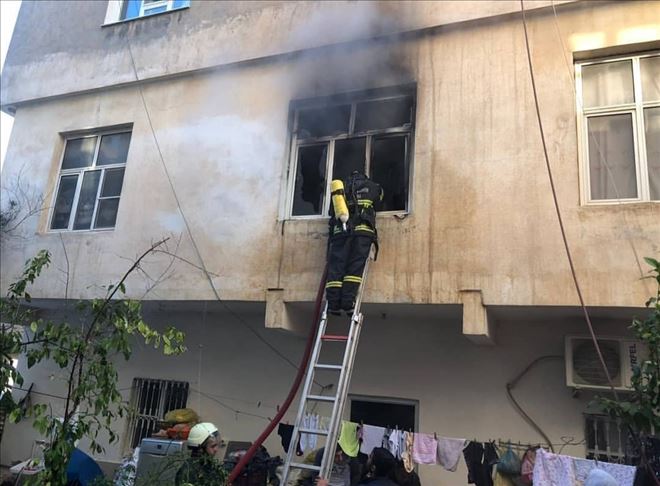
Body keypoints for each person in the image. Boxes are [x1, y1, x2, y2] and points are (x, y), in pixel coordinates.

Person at [326, 171, 383, 315]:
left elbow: (332, 212)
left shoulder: (340, 189)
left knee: (337, 267)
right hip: (362, 232)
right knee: (354, 267)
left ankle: (333, 303)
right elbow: (380, 202)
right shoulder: (372, 186)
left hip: (340, 233)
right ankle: (347, 301)